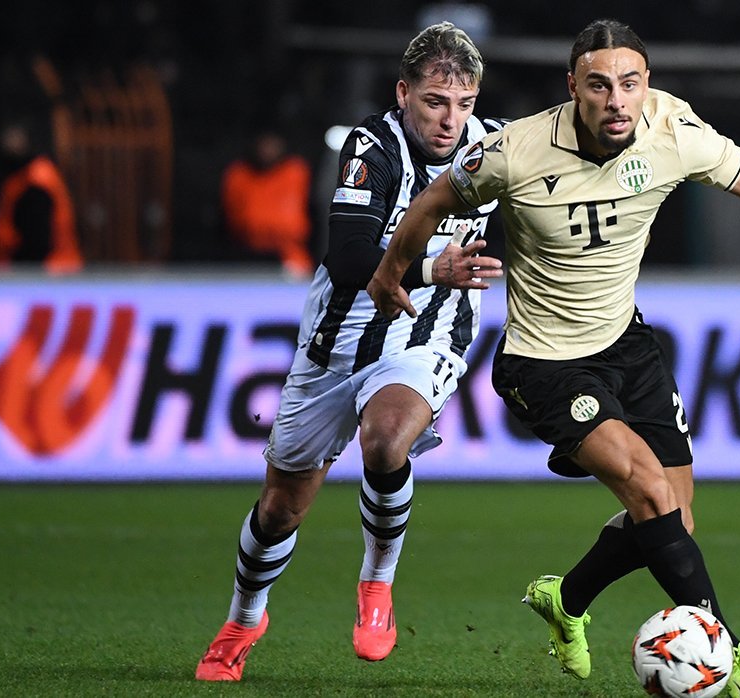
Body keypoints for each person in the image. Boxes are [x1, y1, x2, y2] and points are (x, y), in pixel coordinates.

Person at [368, 18, 740, 698]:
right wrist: (391, 273)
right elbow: (432, 201)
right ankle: (733, 656)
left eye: (630, 84)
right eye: (599, 85)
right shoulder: (515, 151)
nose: (617, 101)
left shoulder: (674, 131)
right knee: (650, 492)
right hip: (545, 362)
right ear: (573, 88)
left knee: (674, 521)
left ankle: (567, 599)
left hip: (627, 346)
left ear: (647, 83)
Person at [195, 21, 506, 681]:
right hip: (336, 344)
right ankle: (245, 617)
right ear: (404, 94)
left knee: (386, 441)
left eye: (464, 103)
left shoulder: (496, 148)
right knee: (281, 507)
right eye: (435, 101)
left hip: (426, 334)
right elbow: (347, 255)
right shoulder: (372, 146)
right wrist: (433, 267)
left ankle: (376, 585)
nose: (450, 119)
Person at [0, 120, 83, 274]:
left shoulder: (35, 180)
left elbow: (37, 240)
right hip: (41, 272)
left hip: (47, 274)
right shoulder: (21, 175)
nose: (9, 143)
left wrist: (22, 272)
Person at [220, 126, 314, 278]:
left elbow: (297, 222)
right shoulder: (238, 175)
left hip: (290, 254)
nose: (268, 150)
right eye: (264, 143)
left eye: (273, 143)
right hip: (246, 253)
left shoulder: (296, 171)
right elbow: (234, 219)